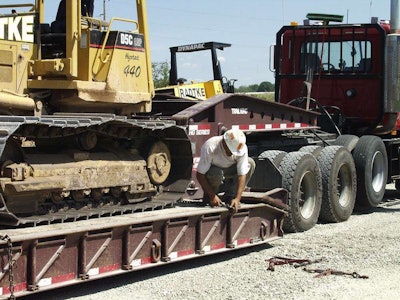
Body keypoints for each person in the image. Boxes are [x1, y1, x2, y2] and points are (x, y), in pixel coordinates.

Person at [196, 129, 255, 213]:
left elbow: (242, 175)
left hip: (229, 171)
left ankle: (231, 197)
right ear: (224, 142)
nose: (232, 153)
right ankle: (210, 199)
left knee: (250, 163)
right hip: (214, 173)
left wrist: (237, 199)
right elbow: (200, 175)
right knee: (216, 173)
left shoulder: (241, 147)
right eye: (230, 150)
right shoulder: (211, 146)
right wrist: (212, 196)